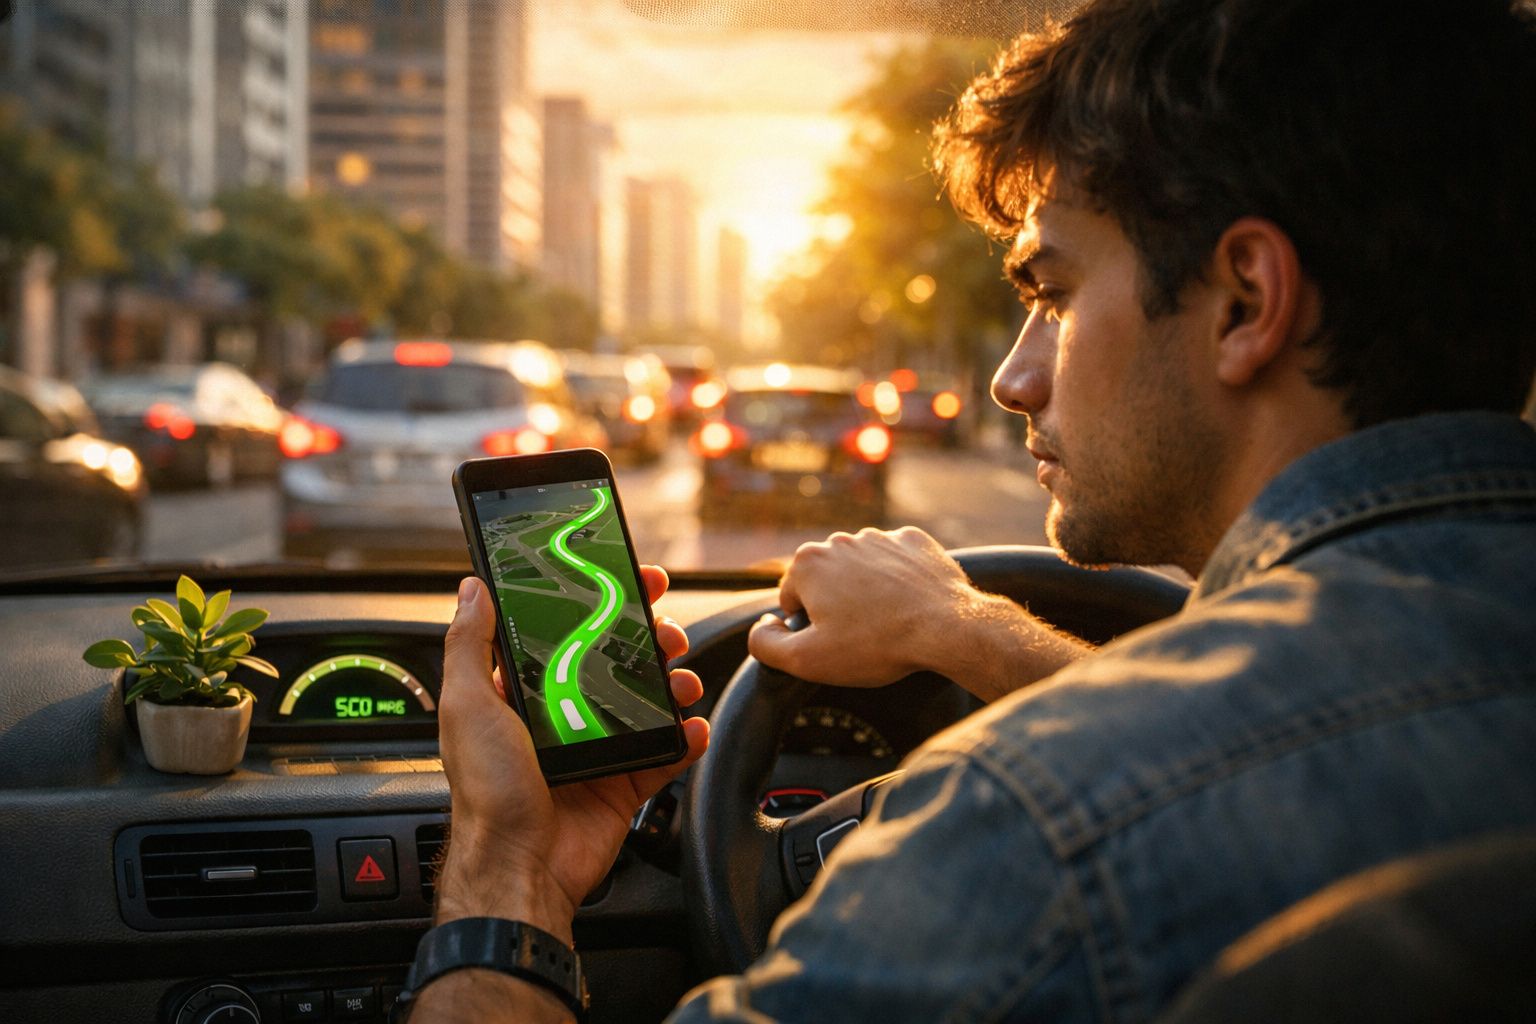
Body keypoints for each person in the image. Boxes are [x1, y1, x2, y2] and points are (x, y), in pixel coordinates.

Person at [411, 0, 1536, 1019]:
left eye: (1050, 293)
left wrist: (506, 867)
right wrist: (966, 628)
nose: (1014, 377)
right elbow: (1305, 766)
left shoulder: (1037, 826)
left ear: (1246, 300)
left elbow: (1203, 773)